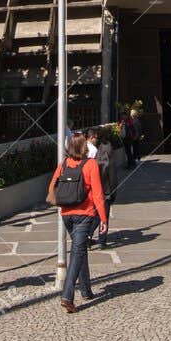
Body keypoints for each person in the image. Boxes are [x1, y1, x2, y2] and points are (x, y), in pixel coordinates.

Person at [48, 132, 107, 314]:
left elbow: (52, 187)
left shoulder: (63, 164)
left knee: (79, 250)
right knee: (77, 252)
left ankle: (86, 289)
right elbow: (97, 193)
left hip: (66, 214)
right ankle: (67, 295)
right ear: (84, 148)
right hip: (85, 214)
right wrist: (103, 218)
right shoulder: (90, 165)